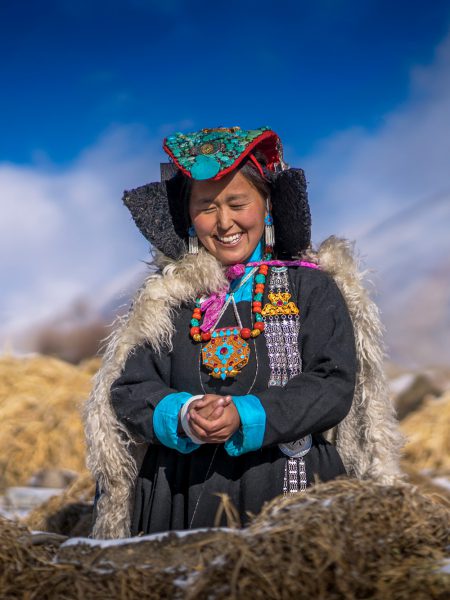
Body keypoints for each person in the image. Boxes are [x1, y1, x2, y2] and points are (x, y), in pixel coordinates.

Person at [84, 126, 403, 539]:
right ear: (187, 216)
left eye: (237, 203)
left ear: (267, 206)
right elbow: (130, 387)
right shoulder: (167, 300)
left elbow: (332, 383)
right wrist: (183, 414)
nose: (224, 222)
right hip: (178, 496)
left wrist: (245, 415)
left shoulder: (311, 288)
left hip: (289, 486)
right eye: (206, 207)